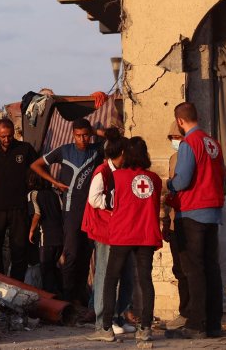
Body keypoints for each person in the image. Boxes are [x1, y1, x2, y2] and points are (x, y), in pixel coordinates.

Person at [89, 137, 161, 344]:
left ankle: (105, 328)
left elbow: (110, 202)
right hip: (146, 234)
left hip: (123, 234)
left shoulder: (117, 177)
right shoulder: (154, 179)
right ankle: (145, 329)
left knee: (111, 280)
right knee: (146, 280)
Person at [166, 102, 226, 339]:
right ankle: (213, 324)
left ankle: (196, 325)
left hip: (192, 212)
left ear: (180, 121)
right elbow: (221, 175)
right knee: (211, 267)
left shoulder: (188, 144)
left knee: (194, 269)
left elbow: (181, 182)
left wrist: (168, 184)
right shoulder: (213, 143)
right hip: (213, 212)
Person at [30, 117, 104, 309]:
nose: (82, 139)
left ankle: (79, 297)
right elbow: (36, 165)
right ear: (73, 135)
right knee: (71, 253)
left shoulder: (97, 150)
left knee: (86, 254)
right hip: (70, 210)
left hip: (91, 210)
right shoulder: (64, 150)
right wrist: (54, 181)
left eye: (86, 135)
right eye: (78, 136)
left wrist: (96, 132)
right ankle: (69, 299)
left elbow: (118, 139)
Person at [82, 128, 136, 337]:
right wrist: (116, 203)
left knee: (125, 274)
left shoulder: (121, 171)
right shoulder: (102, 172)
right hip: (104, 229)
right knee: (104, 275)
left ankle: (117, 316)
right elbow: (94, 199)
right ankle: (102, 321)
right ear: (120, 153)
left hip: (118, 229)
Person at [0, 118, 39, 279]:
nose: (6, 140)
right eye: (3, 136)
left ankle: (17, 284)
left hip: (19, 207)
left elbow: (38, 169)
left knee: (19, 248)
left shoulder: (24, 149)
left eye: (9, 136)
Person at [162, 120, 190, 332]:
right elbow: (170, 193)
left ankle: (192, 312)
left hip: (190, 218)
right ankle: (184, 312)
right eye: (173, 139)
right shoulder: (173, 159)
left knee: (192, 269)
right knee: (179, 269)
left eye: (178, 138)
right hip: (175, 219)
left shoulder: (192, 156)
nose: (175, 142)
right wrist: (165, 221)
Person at [27, 175, 64, 295]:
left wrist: (31, 230)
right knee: (54, 269)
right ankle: (61, 298)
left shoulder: (33, 194)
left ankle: (51, 303)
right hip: (60, 237)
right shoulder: (55, 194)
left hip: (46, 238)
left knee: (46, 270)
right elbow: (62, 212)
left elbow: (37, 214)